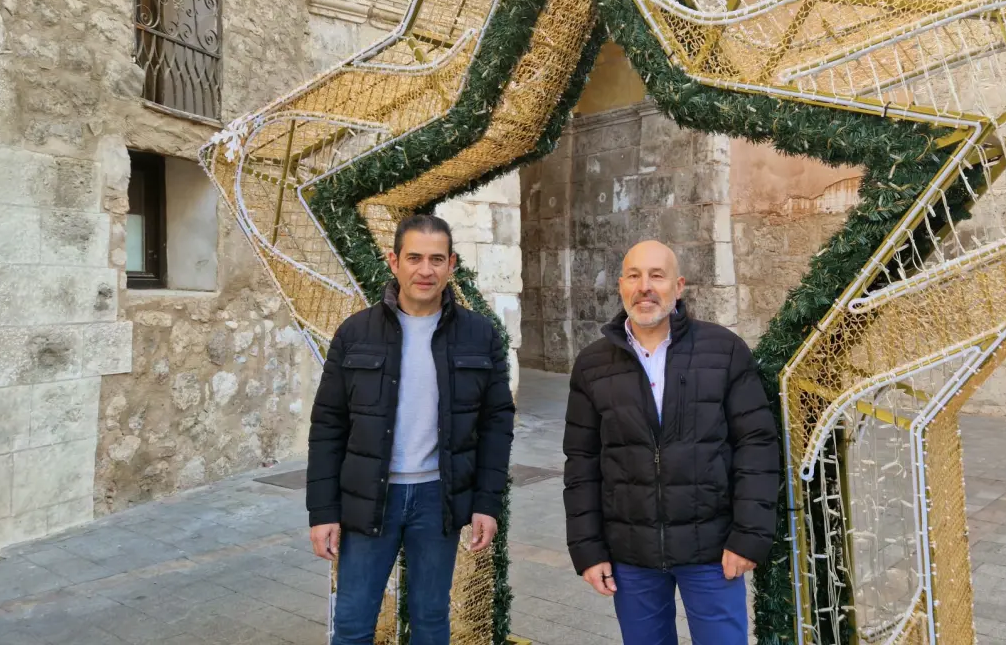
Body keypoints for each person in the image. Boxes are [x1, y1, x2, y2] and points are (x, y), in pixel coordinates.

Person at [306, 214, 515, 645]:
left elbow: (497, 425)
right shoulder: (355, 333)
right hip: (370, 497)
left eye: (437, 259)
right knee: (352, 623)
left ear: (451, 264)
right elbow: (328, 425)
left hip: (438, 499)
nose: (426, 270)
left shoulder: (480, 335)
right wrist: (323, 511)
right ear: (394, 261)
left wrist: (486, 503)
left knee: (431, 620)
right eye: (415, 258)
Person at [563, 240, 780, 644]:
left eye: (657, 275)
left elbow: (756, 445)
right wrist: (588, 549)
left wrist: (749, 536)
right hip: (632, 555)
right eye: (634, 276)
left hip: (712, 550)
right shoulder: (593, 365)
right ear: (621, 286)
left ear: (678, 286)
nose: (644, 286)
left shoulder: (723, 350)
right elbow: (581, 462)